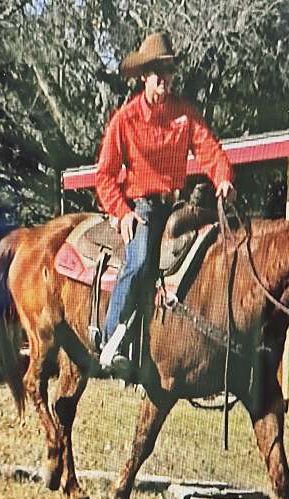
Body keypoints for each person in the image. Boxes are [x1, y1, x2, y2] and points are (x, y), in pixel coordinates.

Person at [96, 32, 235, 372]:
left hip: (175, 204)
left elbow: (210, 150)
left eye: (170, 71)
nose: (166, 79)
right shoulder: (124, 120)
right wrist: (122, 212)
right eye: (159, 72)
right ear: (144, 76)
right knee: (141, 260)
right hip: (141, 206)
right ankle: (110, 337)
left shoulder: (184, 115)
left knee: (213, 247)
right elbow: (104, 175)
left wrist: (224, 178)